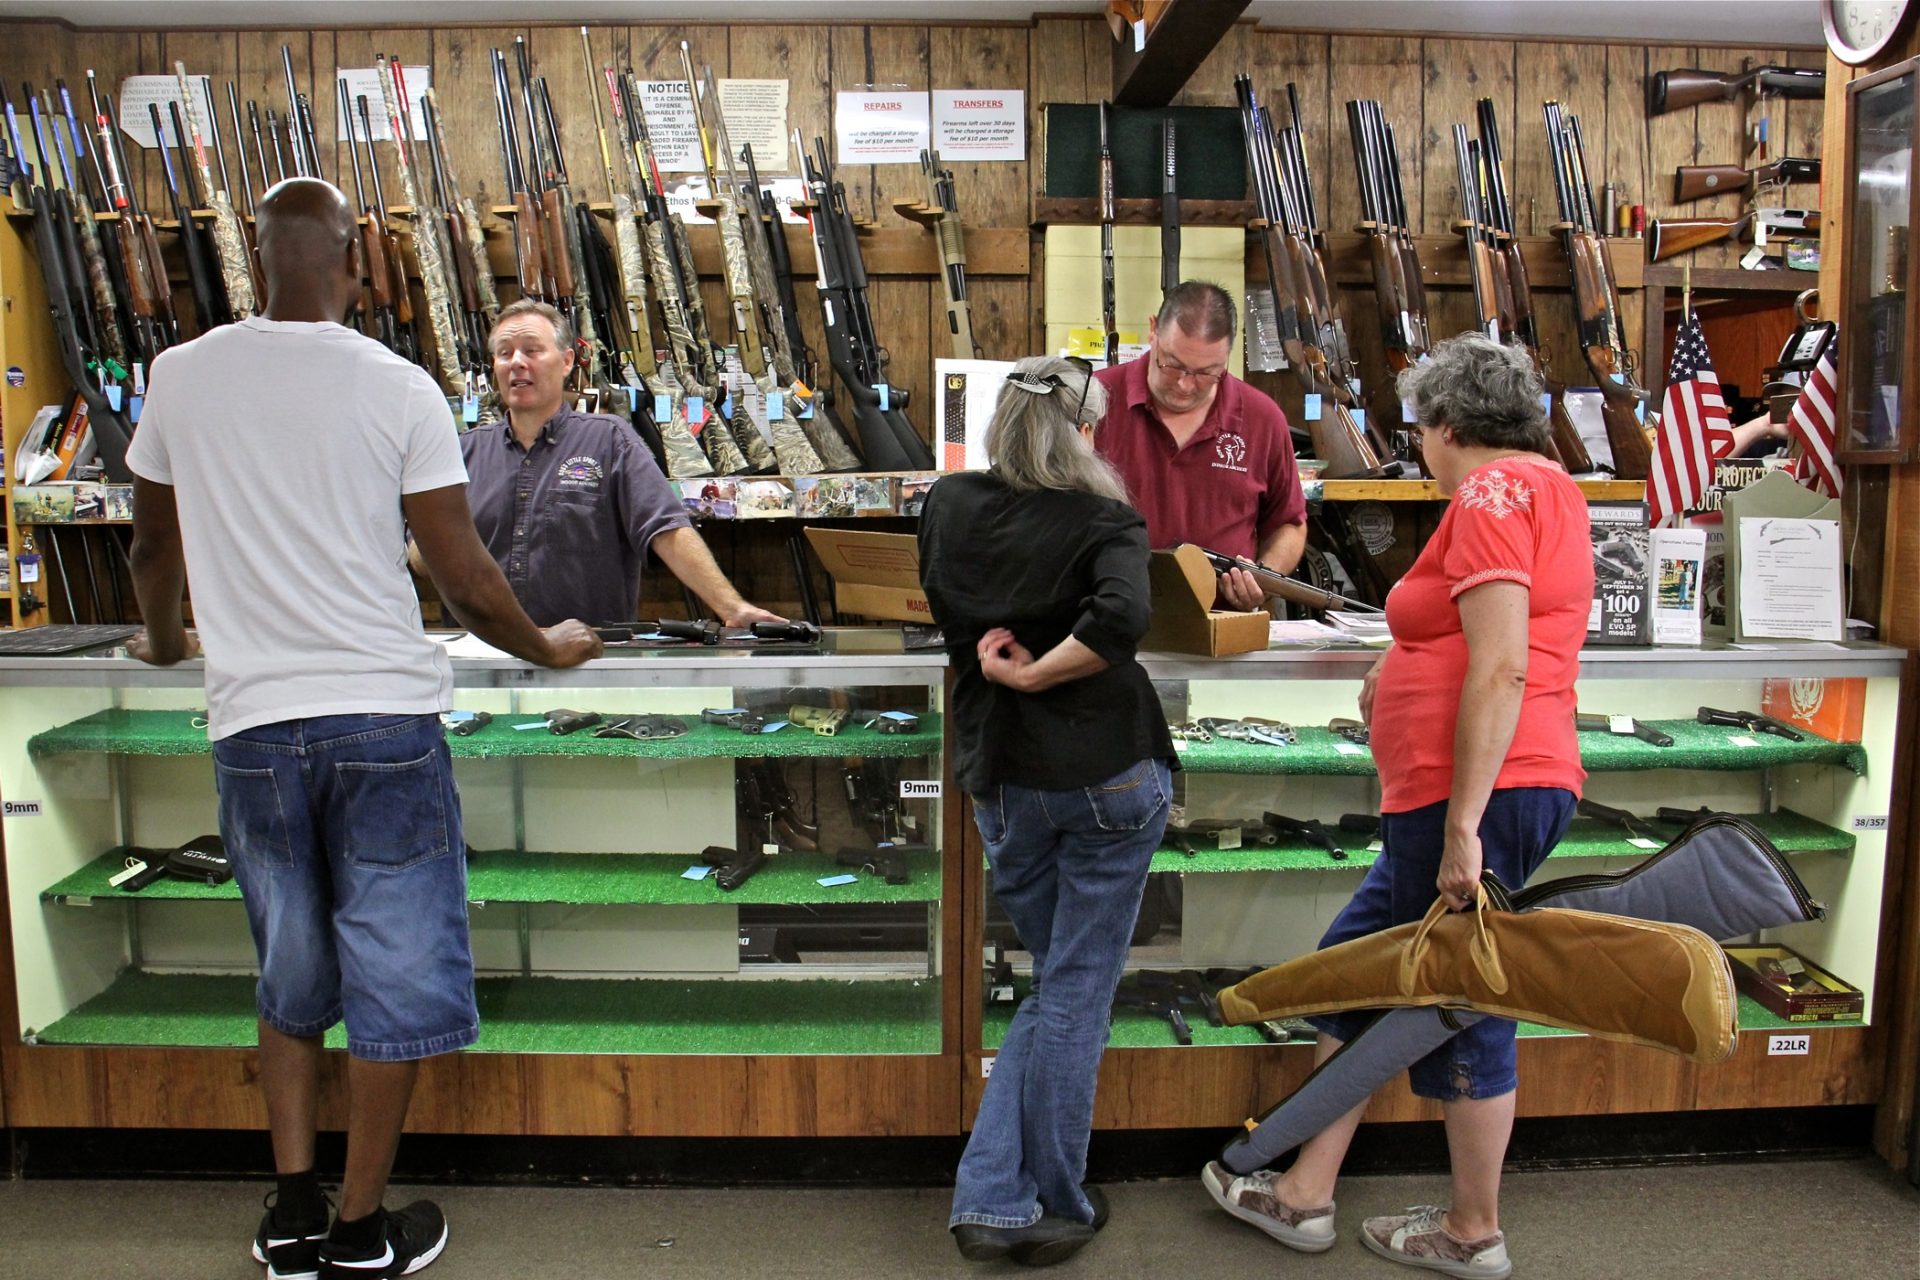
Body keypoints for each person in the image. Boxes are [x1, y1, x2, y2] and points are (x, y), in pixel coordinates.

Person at [126, 178, 602, 1280]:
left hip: (253, 724)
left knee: (288, 971)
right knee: (391, 977)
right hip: (385, 720)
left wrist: (160, 642)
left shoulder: (180, 375)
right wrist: (552, 647)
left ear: (254, 255)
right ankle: (359, 1226)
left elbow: (154, 552)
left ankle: (291, 1214)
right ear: (356, 262)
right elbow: (468, 580)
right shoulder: (400, 386)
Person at [1201, 333, 1594, 1280]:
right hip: (1467, 792)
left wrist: (1463, 823)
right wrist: (1398, 662)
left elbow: (1502, 662)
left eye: (1421, 428)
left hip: (1480, 797)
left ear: (1447, 425)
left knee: (1460, 1001)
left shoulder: (1495, 493)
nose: (1418, 445)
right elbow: (1472, 632)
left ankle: (1472, 1230)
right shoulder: (1545, 486)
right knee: (1357, 971)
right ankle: (1303, 1191)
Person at [920, 356, 1176, 1266]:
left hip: (1002, 778)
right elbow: (1121, 622)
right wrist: (1039, 669)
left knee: (1053, 986)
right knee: (1074, 990)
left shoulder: (947, 503)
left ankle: (996, 1195)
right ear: (1081, 432)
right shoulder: (1106, 517)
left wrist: (1007, 670)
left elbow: (951, 617)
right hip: (1107, 774)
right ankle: (1051, 1199)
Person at [441, 298, 779, 628]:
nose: (516, 362)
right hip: (485, 662)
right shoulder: (463, 453)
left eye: (532, 350)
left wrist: (731, 607)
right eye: (504, 353)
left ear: (567, 361)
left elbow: (666, 529)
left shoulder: (609, 440)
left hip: (587, 664)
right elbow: (422, 554)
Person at [1093, 281, 1308, 611]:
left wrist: (1264, 577)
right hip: (1106, 620)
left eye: (1207, 373)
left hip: (1222, 621)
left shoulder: (1262, 418)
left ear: (1227, 357)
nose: (1184, 385)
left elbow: (1289, 523)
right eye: (1172, 364)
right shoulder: (1093, 402)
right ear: (1153, 330)